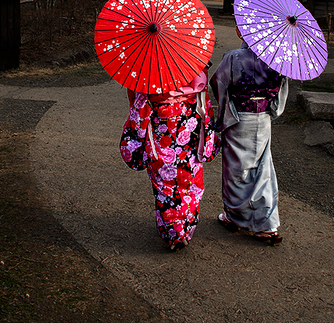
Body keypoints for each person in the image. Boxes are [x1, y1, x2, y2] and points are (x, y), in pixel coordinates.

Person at [120, 66, 220, 251]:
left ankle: (173, 232)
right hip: (189, 133)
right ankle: (186, 228)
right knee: (190, 181)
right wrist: (208, 137)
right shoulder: (193, 63)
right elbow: (204, 104)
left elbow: (139, 106)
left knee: (164, 185)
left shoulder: (147, 68)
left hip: (162, 136)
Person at [210, 27, 288, 245]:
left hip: (238, 118)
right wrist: (270, 106)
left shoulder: (234, 57)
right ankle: (267, 224)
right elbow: (281, 89)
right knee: (263, 169)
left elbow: (218, 82)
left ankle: (234, 217)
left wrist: (227, 107)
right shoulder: (277, 59)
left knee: (236, 170)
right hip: (263, 119)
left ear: (240, 32)